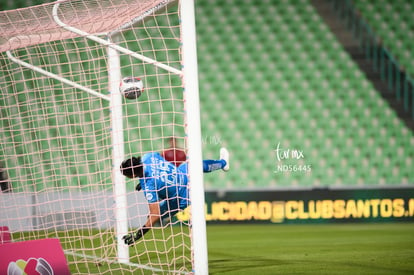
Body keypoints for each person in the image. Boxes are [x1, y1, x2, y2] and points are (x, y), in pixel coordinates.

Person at [120, 147, 230, 246]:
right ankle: (223, 163)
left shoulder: (148, 185)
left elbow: (155, 214)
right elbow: (159, 161)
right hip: (182, 174)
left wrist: (137, 235)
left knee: (152, 217)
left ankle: (171, 216)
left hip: (182, 197)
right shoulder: (148, 156)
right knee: (194, 164)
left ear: (133, 175)